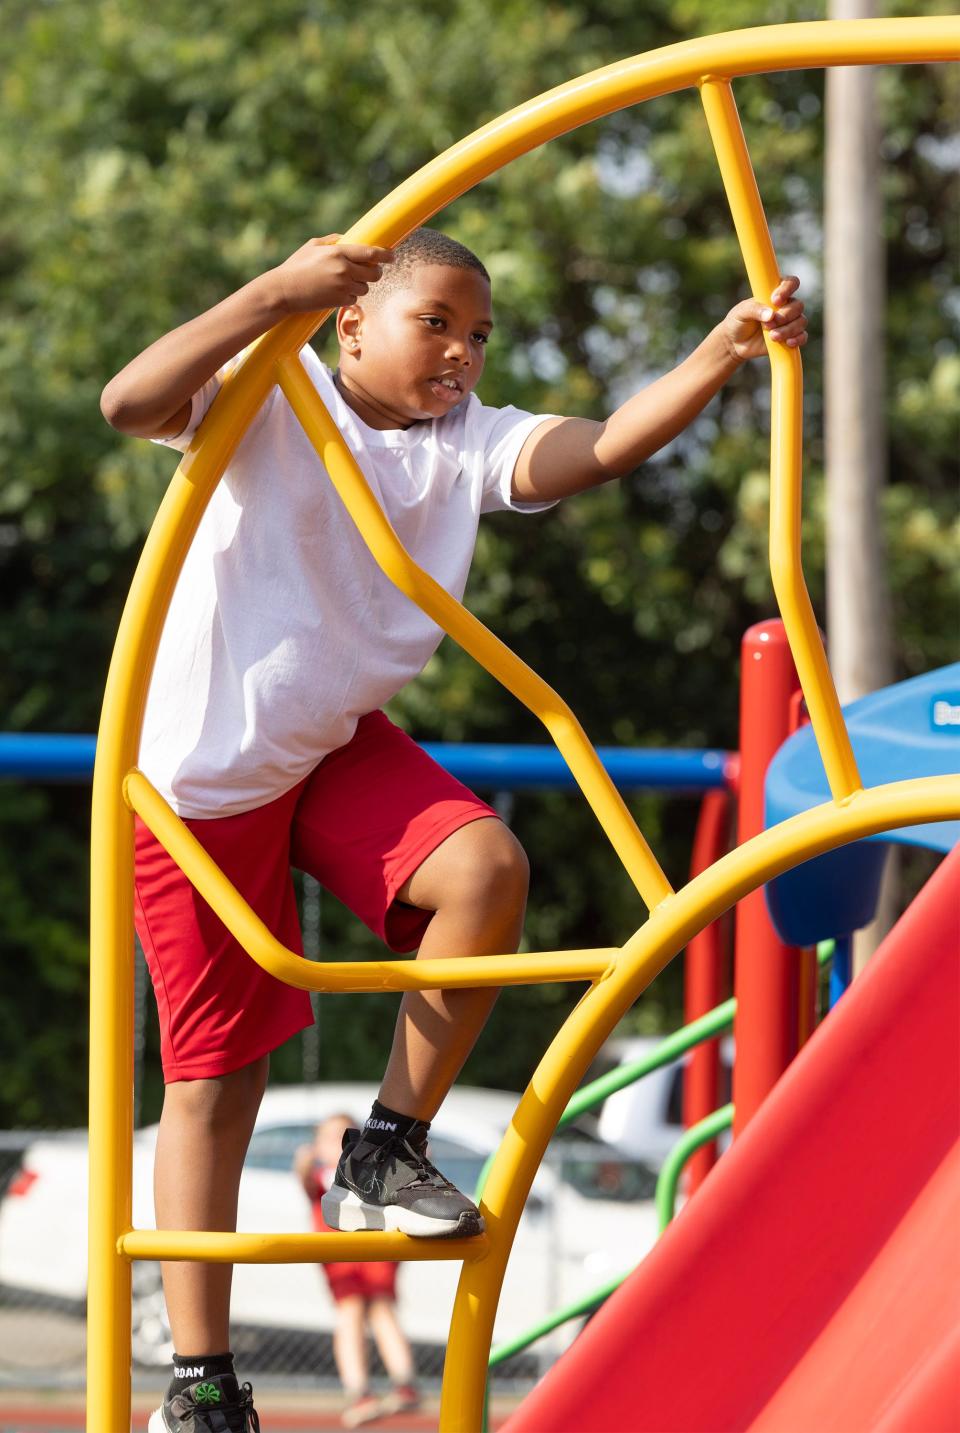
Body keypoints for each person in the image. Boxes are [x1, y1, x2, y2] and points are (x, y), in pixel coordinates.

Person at [101, 225, 806, 1432]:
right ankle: (201, 1380)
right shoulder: (277, 394)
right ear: (352, 321)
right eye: (437, 323)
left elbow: (597, 449)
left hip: (328, 746)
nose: (464, 353)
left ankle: (388, 1144)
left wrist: (715, 355)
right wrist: (272, 290)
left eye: (480, 335)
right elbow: (130, 399)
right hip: (200, 779)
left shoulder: (459, 441)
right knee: (219, 1078)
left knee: (486, 866)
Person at [296, 1114, 420, 1427]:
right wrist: (304, 1160)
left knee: (382, 1311)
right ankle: (360, 1391)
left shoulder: (368, 1172)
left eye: (344, 1136)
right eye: (328, 1138)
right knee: (350, 1314)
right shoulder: (322, 1174)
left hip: (374, 1250)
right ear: (317, 1147)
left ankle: (404, 1383)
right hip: (340, 1256)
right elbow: (304, 1177)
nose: (336, 1144)